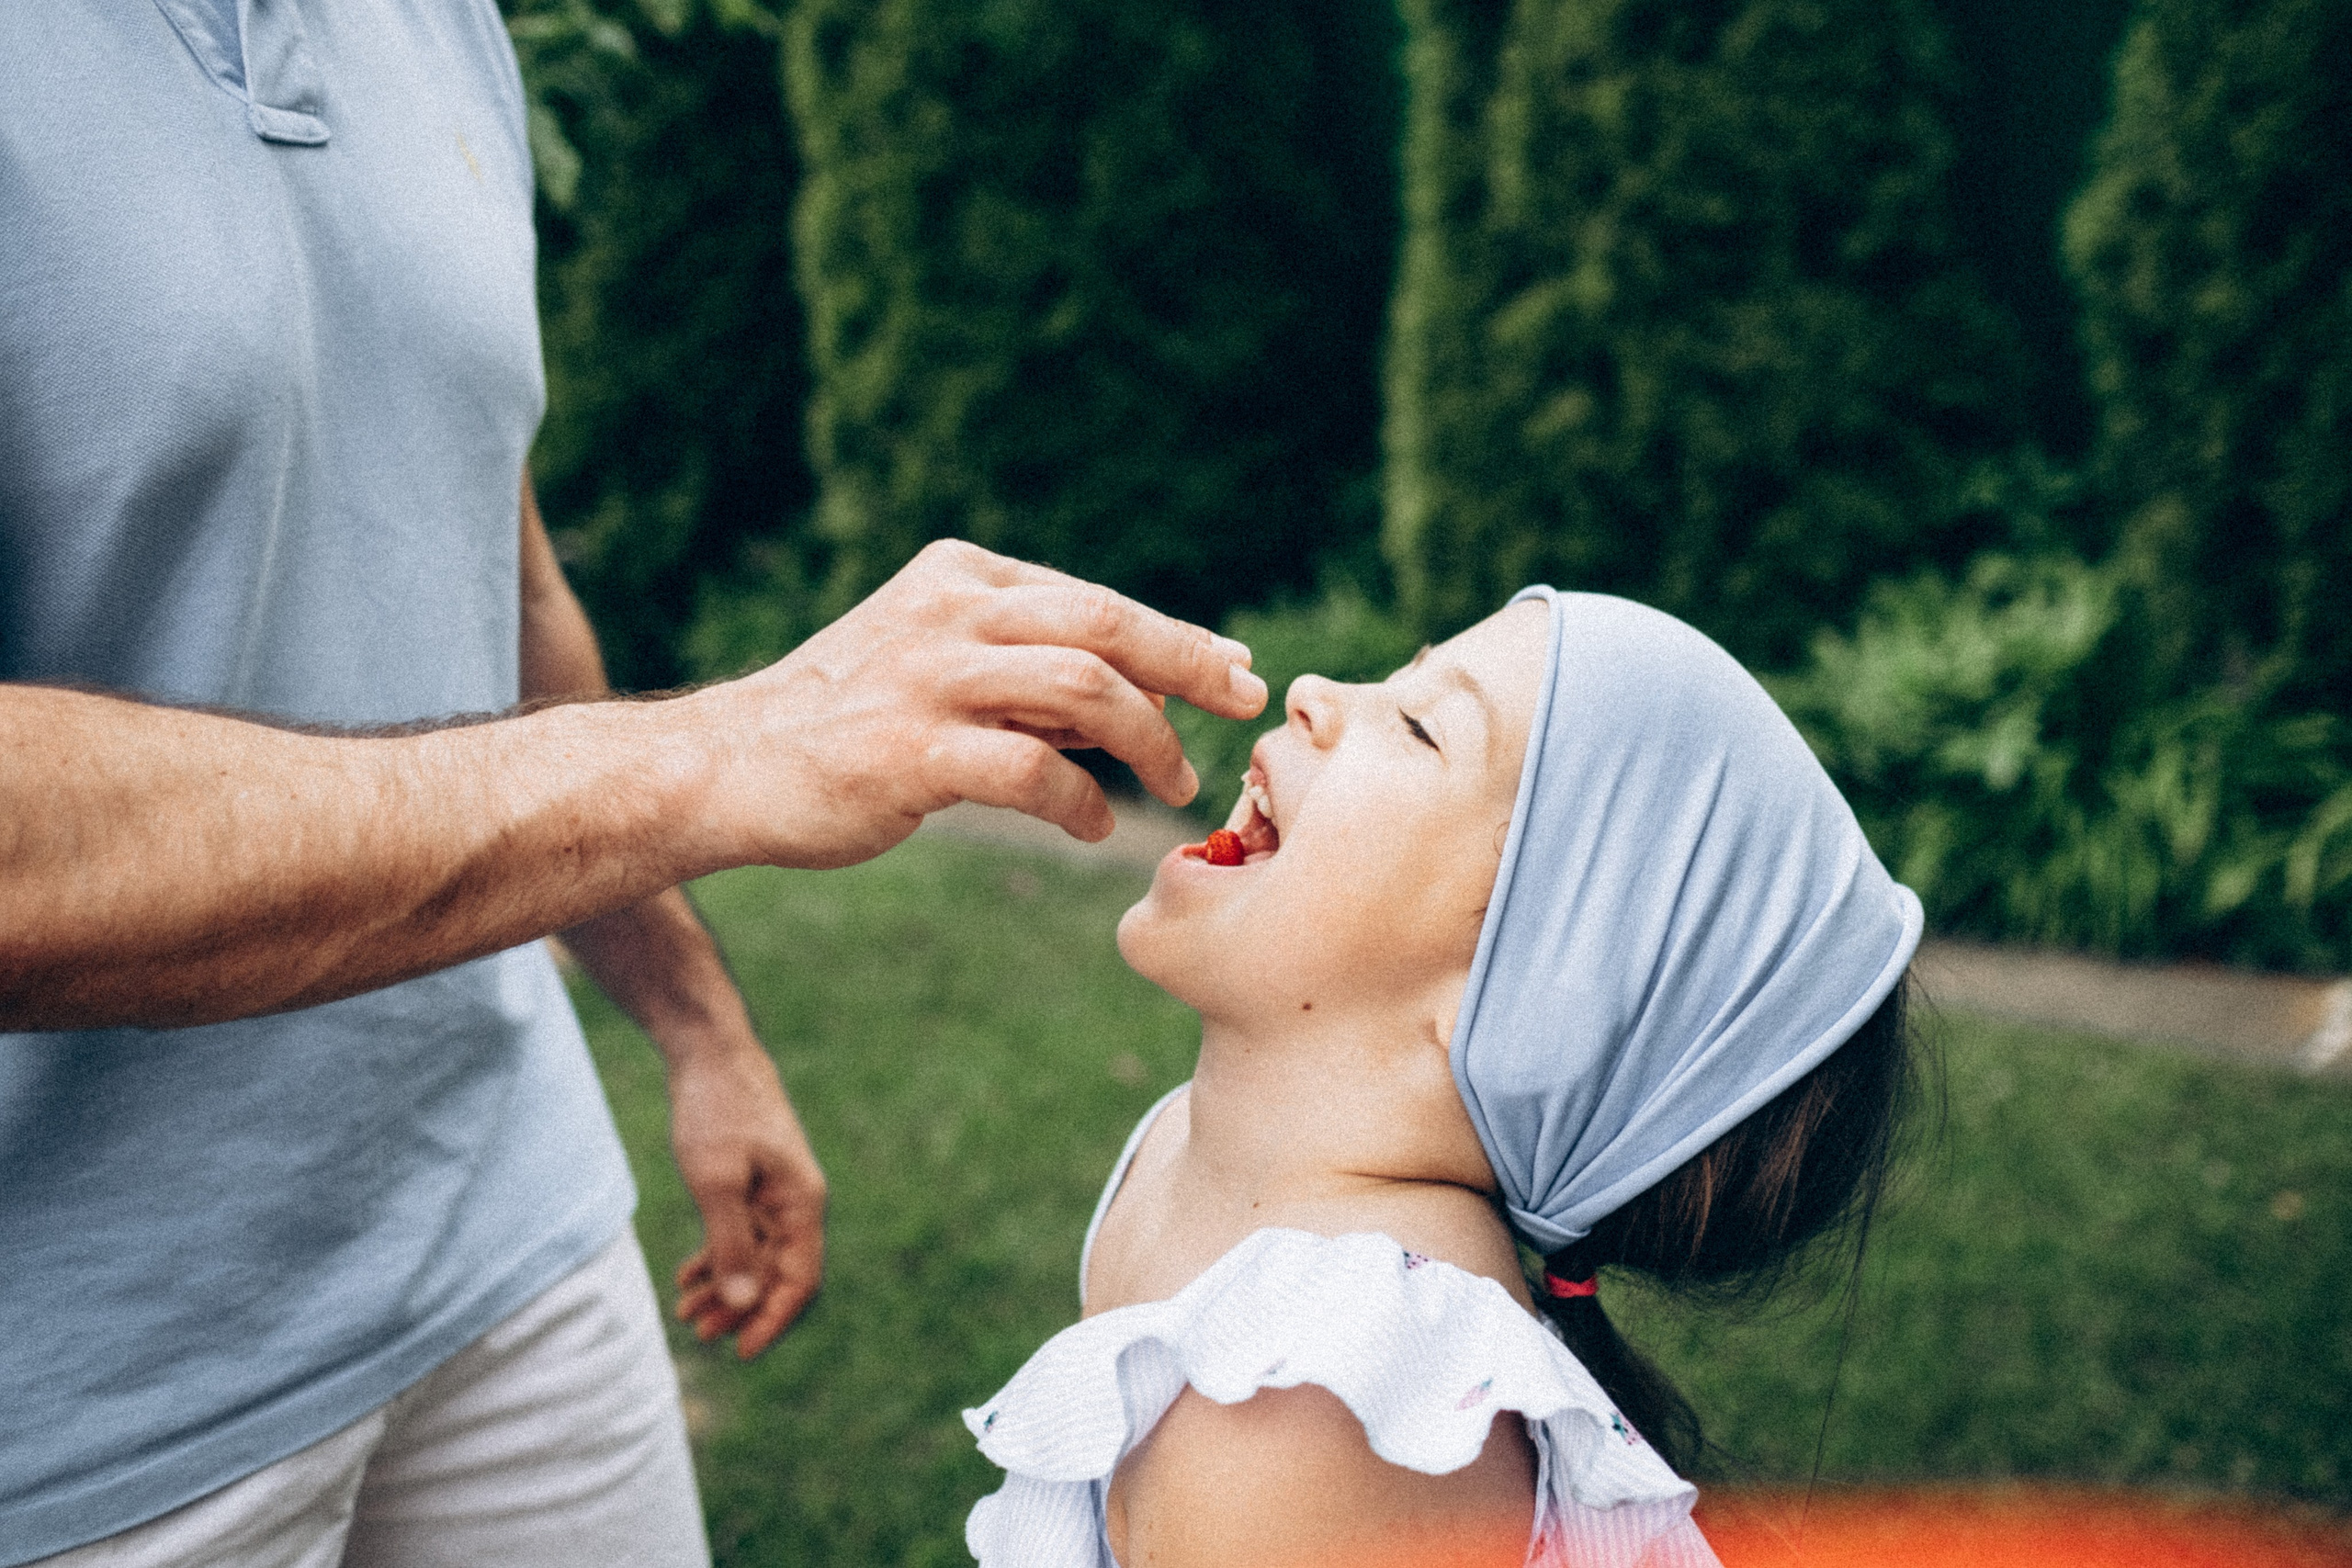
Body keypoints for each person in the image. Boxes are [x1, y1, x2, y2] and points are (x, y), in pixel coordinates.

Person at [0, 5, 1263, 1565]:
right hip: (82, 1415)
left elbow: (498, 582)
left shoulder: (439, 27)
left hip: (513, 1243)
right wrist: (724, 747)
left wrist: (698, 1028)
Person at [961, 588, 1926, 1568]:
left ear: (1522, 1011)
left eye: (1421, 727)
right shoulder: (1181, 1155)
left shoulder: (1328, 1407)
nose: (1312, 692)